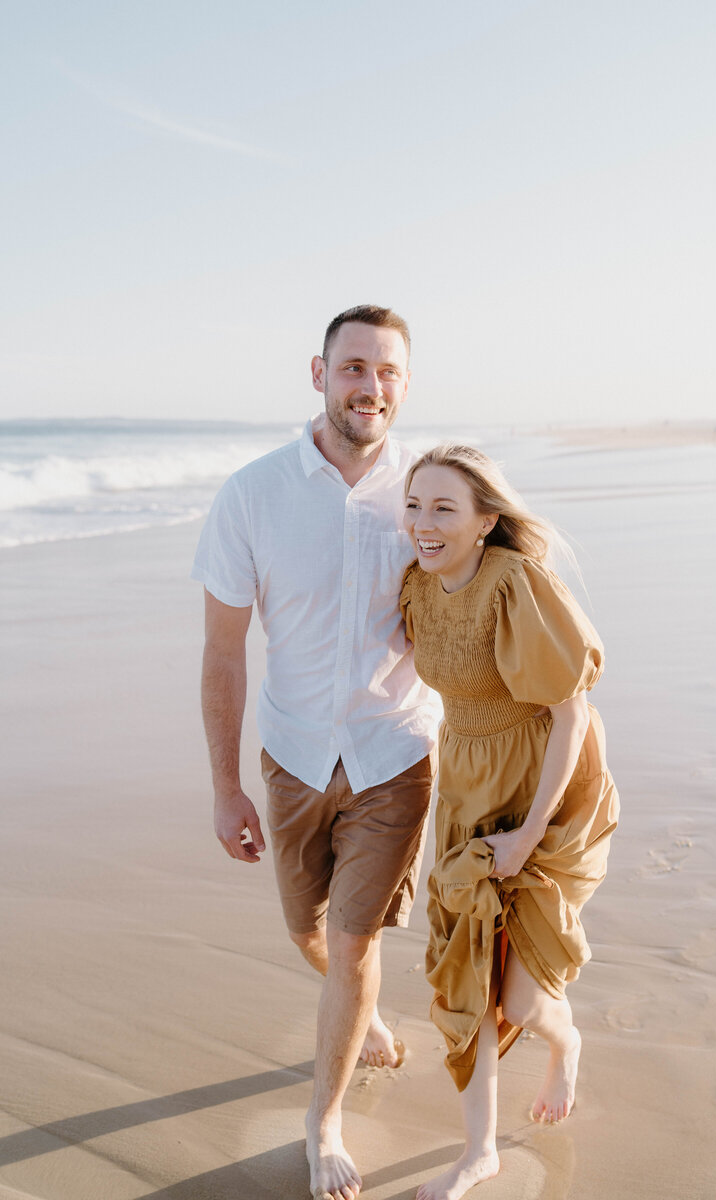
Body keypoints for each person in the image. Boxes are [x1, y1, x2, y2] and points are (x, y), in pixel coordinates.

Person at [191, 305, 440, 1200]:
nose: (371, 386)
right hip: (292, 755)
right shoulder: (253, 494)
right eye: (354, 367)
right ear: (318, 373)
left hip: (394, 753)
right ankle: (356, 1007)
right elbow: (224, 652)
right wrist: (228, 789)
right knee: (308, 929)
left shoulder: (430, 489)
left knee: (354, 933)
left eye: (388, 371)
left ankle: (321, 1121)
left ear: (404, 385)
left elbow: (501, 584)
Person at [399, 444, 619, 1200]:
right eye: (414, 505)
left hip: (549, 789)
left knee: (525, 1000)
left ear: (487, 519)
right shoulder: (418, 583)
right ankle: (479, 1152)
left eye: (444, 508)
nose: (423, 524)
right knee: (470, 973)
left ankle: (566, 1045)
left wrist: (528, 836)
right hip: (466, 786)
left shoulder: (516, 581)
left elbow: (570, 713)